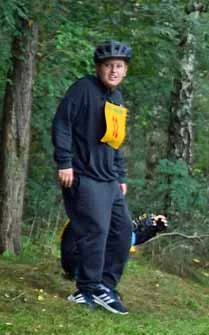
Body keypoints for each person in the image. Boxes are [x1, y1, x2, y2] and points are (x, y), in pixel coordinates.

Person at [52, 40, 133, 314]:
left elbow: (115, 140)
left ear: (125, 71)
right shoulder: (83, 89)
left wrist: (120, 174)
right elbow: (62, 123)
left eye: (119, 66)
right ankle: (85, 289)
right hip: (83, 175)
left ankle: (105, 287)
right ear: (99, 68)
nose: (113, 71)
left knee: (123, 232)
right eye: (108, 66)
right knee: (95, 231)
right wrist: (64, 162)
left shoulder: (117, 98)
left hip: (109, 179)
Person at [60, 213, 168, 280]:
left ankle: (99, 282)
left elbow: (127, 239)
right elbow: (122, 240)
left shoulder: (97, 210)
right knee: (119, 246)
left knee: (121, 243)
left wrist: (152, 230)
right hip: (79, 266)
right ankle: (101, 286)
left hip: (76, 264)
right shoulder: (92, 212)